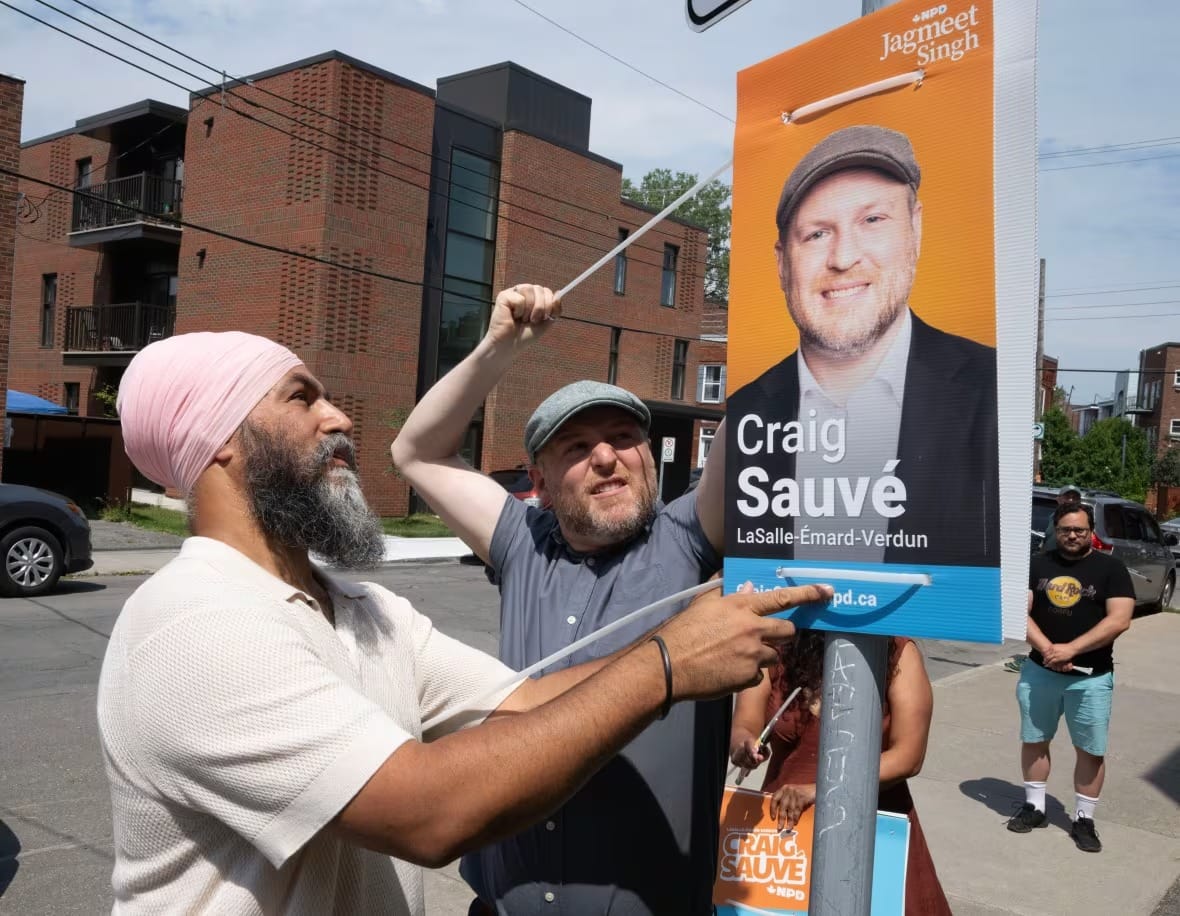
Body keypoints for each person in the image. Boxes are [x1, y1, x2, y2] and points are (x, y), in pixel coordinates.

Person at [96, 329, 830, 914]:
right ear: (220, 437)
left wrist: (688, 649)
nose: (340, 416)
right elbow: (430, 814)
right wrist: (668, 661)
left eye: (623, 439)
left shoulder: (370, 613)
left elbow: (526, 701)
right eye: (301, 398)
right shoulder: (196, 627)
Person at [392, 284, 732, 914]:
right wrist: (499, 347)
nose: (606, 456)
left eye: (625, 437)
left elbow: (760, 427)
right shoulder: (523, 543)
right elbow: (416, 452)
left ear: (650, 460)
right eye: (576, 448)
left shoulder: (688, 539)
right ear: (540, 482)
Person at [725, 124, 998, 567]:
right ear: (781, 263)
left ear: (915, 229)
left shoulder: (994, 392)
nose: (843, 257)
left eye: (872, 220)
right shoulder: (745, 417)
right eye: (816, 234)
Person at [730, 631, 952, 915]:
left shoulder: (896, 650)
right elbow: (745, 723)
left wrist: (821, 789)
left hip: (871, 827)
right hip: (785, 829)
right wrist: (743, 744)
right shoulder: (779, 642)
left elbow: (909, 757)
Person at [1008, 500, 1134, 852]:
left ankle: (1083, 819)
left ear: (1091, 531)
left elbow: (1119, 619)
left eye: (1079, 529)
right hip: (1040, 671)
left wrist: (1071, 650)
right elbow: (1019, 609)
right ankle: (1035, 808)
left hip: (1090, 677)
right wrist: (1050, 649)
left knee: (1090, 750)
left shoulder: (1111, 569)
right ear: (1055, 531)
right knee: (1035, 739)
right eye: (1065, 530)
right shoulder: (1036, 564)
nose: (1073, 535)